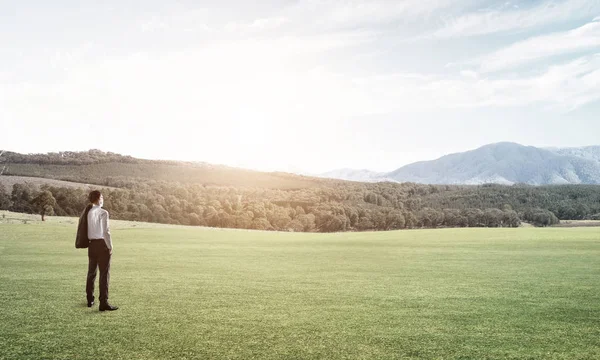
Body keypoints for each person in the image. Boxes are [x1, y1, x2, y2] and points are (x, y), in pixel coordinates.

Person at [85, 190, 118, 311]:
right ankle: (103, 302)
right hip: (101, 244)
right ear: (98, 199)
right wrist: (110, 246)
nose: (103, 199)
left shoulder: (88, 212)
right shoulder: (103, 212)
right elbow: (106, 231)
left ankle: (90, 299)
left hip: (91, 245)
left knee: (91, 273)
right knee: (104, 274)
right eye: (102, 197)